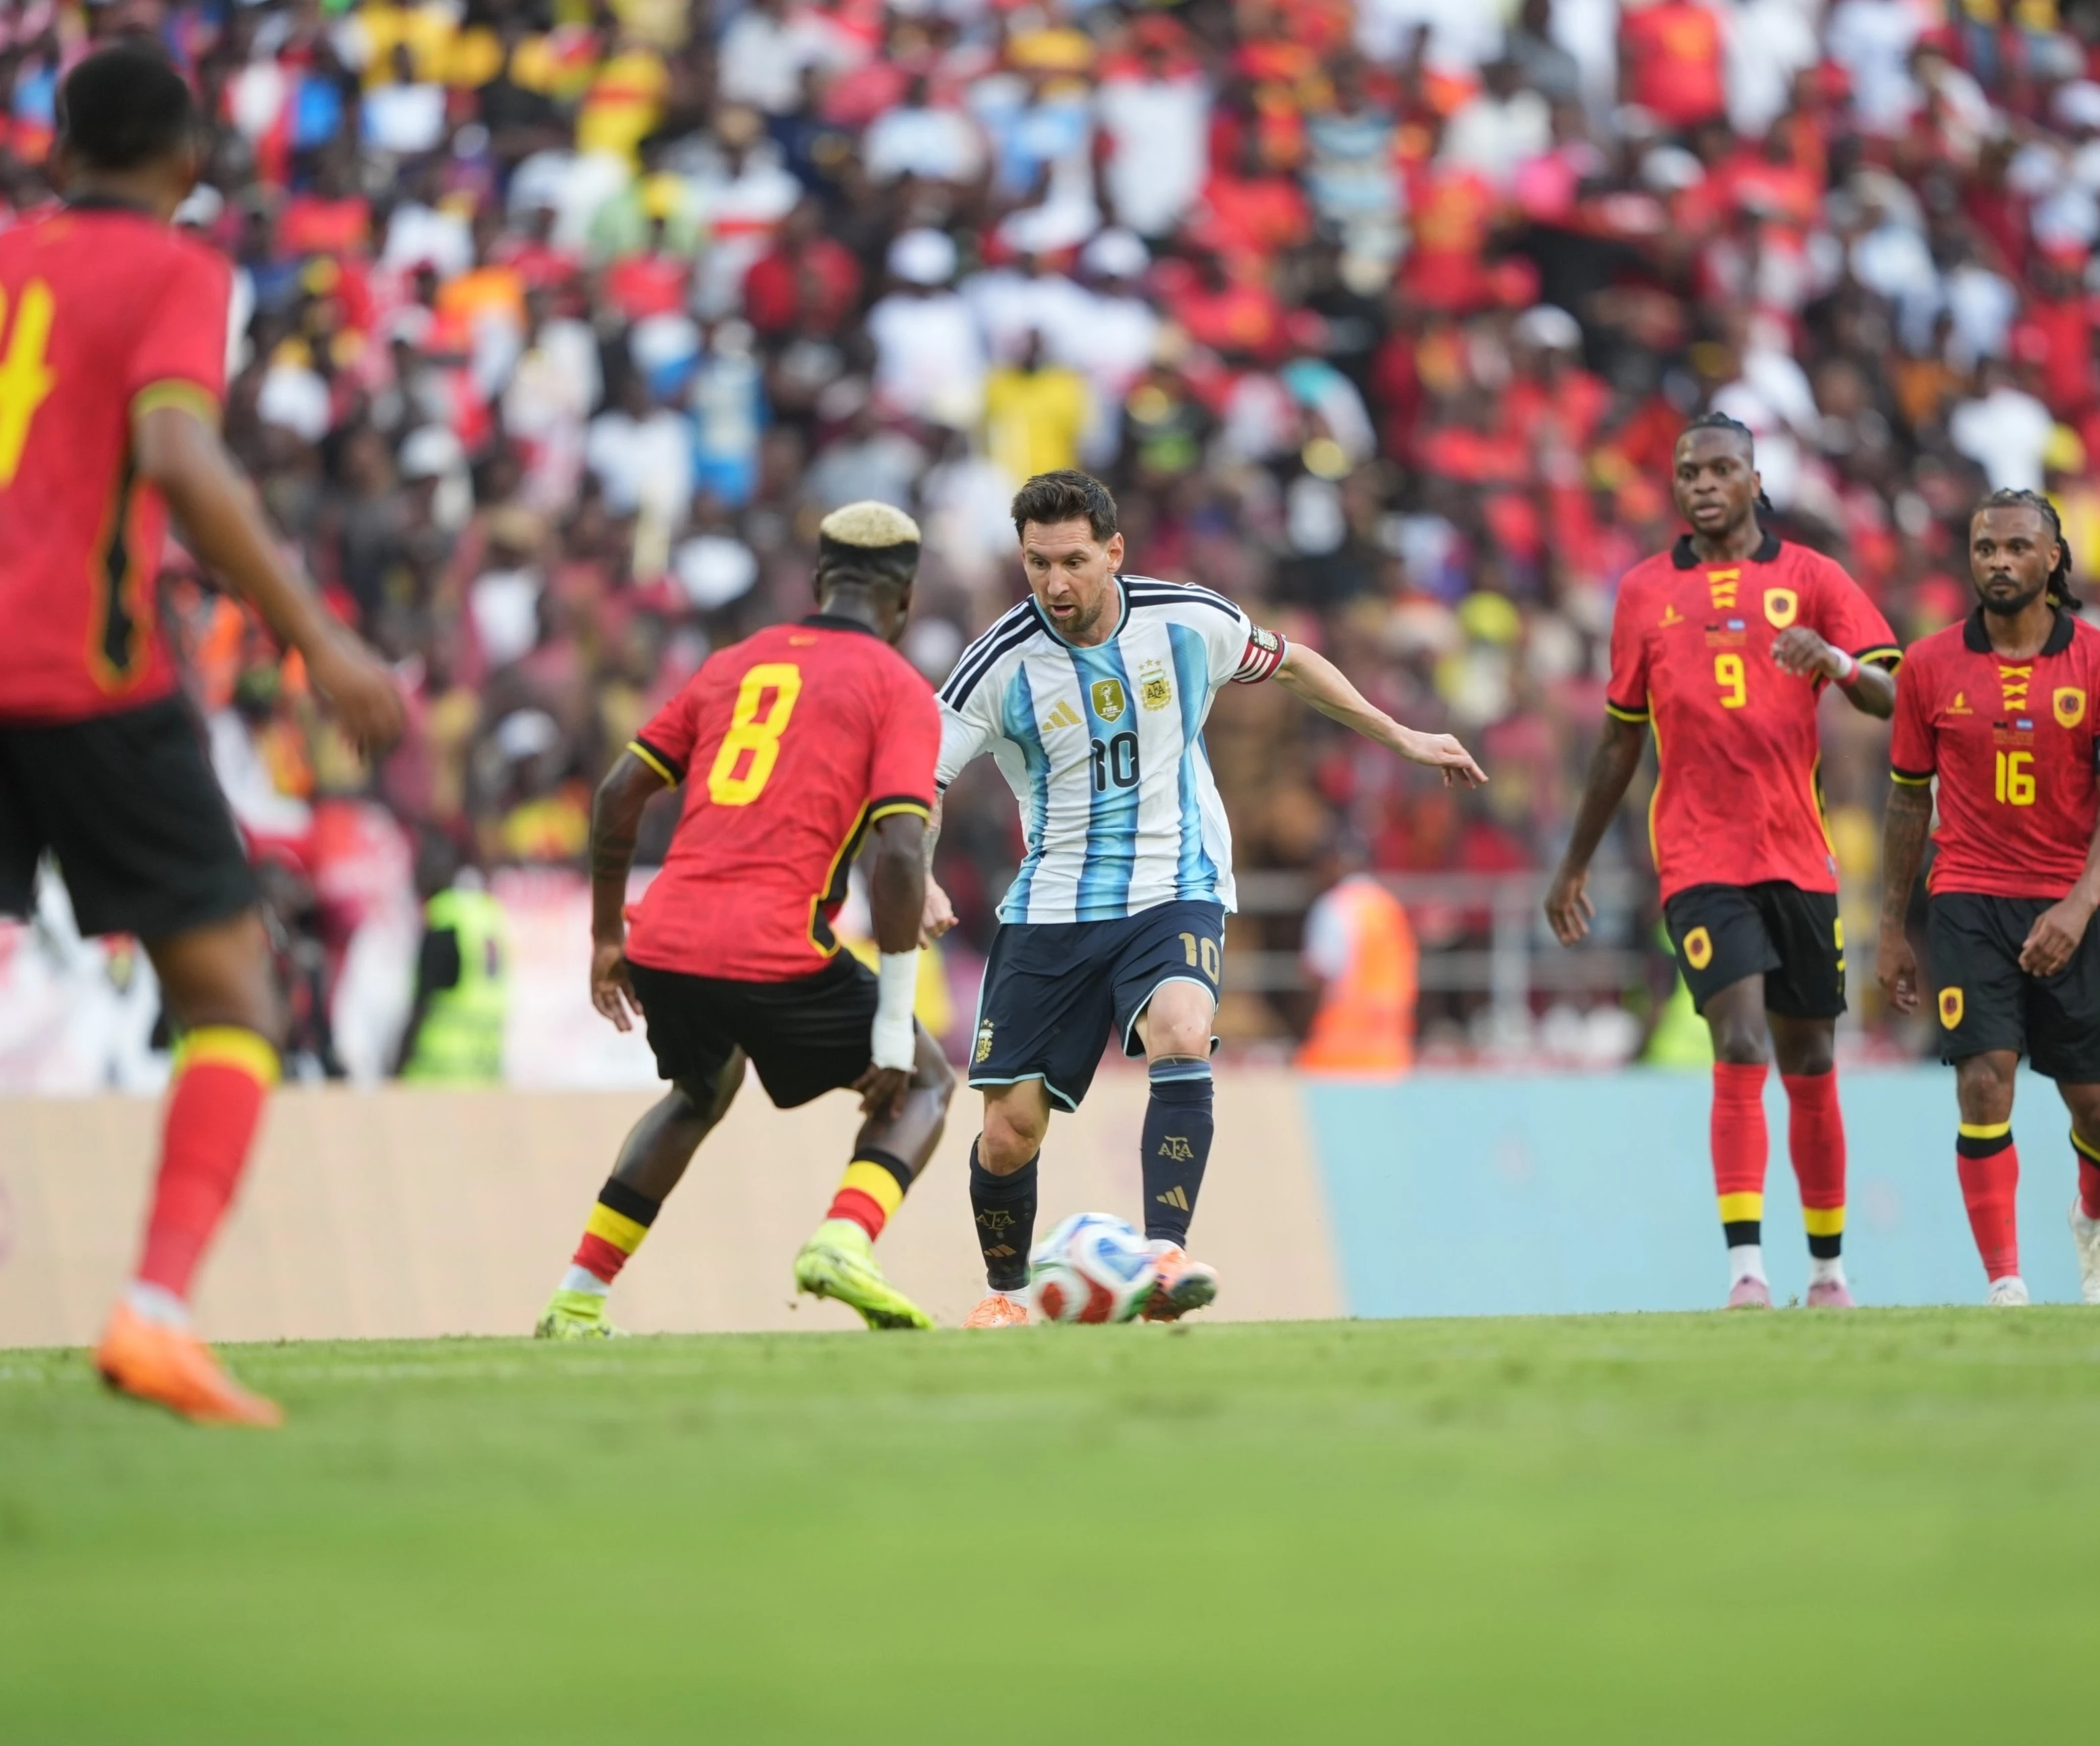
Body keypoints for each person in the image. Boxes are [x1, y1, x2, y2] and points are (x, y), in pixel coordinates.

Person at [0, 46, 405, 1424]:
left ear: (56, 154)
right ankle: (155, 1309)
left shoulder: (7, 261)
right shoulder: (176, 271)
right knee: (234, 992)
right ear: (186, 168)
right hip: (85, 678)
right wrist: (319, 636)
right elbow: (175, 453)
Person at [925, 470, 1485, 1327]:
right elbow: (918, 782)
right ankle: (1004, 1295)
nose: (1055, 583)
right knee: (1009, 1132)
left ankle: (1161, 1258)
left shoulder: (1189, 620)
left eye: (1074, 560)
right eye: (1037, 563)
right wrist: (919, 873)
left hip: (1175, 881)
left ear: (1114, 551)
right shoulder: (999, 663)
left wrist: (1403, 736)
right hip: (1052, 906)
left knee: (1183, 1028)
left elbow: (1293, 664)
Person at [535, 503, 955, 1338]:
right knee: (929, 1081)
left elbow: (621, 790)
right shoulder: (898, 688)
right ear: (903, 602)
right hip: (774, 949)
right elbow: (902, 855)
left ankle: (578, 1296)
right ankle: (845, 1239)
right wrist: (889, 1030)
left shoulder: (735, 662)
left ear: (816, 584)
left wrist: (607, 937)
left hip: (666, 939)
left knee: (700, 1087)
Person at [1546, 414, 1901, 1310]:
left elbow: (1894, 695)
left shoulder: (1812, 578)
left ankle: (1828, 1270)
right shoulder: (1641, 594)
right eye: (1686, 471)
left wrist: (1833, 660)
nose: (1700, 484)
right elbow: (1619, 742)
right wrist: (1574, 861)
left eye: (1719, 469)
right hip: (1700, 857)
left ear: (1753, 478)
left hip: (1799, 854)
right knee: (1737, 1038)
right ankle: (1747, 1267)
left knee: (1811, 1060)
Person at [1878, 491, 2100, 1307]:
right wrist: (1893, 929)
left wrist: (2078, 908)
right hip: (1967, 895)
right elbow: (1907, 800)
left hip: (2075, 899)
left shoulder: (2096, 662)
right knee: (1983, 1080)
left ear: (2052, 559)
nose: (1998, 562)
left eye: (2015, 547)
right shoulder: (1929, 665)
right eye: (1984, 548)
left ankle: (2091, 1219)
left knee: (2093, 1105)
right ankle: (2005, 1282)